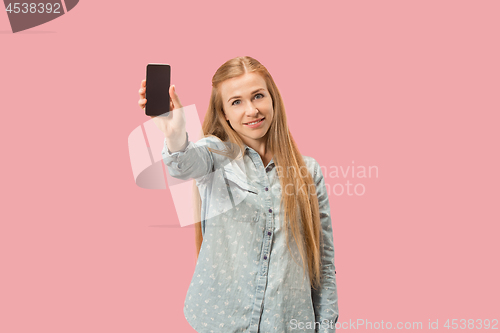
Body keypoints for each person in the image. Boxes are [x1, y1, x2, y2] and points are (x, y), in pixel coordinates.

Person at [138, 56, 339, 332]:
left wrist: (326, 327)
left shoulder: (309, 171)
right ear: (225, 114)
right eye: (236, 102)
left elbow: (323, 262)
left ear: (273, 100)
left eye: (258, 96)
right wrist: (175, 136)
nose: (252, 110)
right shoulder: (216, 156)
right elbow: (184, 164)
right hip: (220, 322)